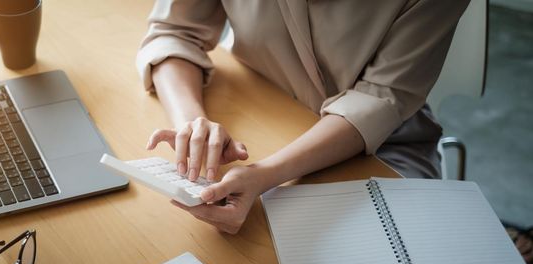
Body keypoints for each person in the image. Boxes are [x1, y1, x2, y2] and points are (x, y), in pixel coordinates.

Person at [136, 0, 470, 233]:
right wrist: (193, 125)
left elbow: (380, 98)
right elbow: (174, 31)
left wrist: (264, 175)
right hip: (263, 108)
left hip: (379, 144)